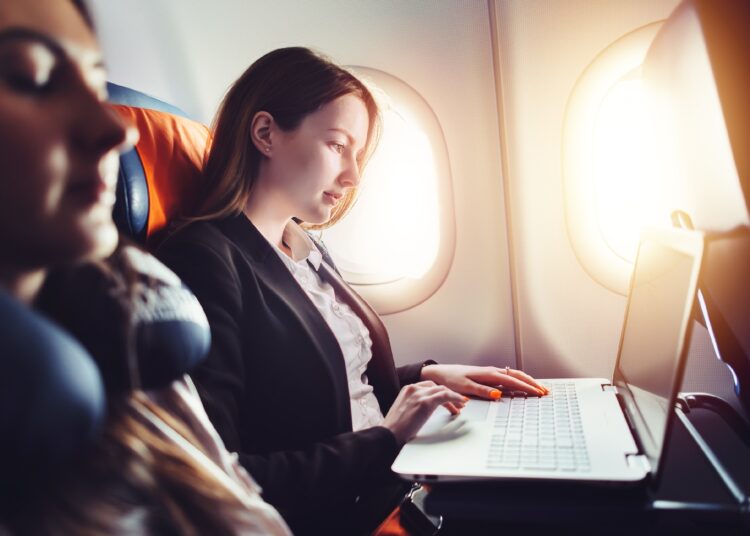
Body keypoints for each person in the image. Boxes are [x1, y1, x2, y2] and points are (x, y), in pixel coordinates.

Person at [157, 46, 549, 534]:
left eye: (358, 155)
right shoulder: (205, 260)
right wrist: (386, 439)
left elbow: (330, 384)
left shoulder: (305, 249)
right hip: (343, 512)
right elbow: (224, 473)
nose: (353, 176)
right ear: (265, 134)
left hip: (389, 483)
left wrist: (428, 375)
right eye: (338, 146)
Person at [0, 1, 290, 534]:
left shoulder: (128, 320)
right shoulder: (206, 257)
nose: (119, 132)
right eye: (33, 78)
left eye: (94, 84)